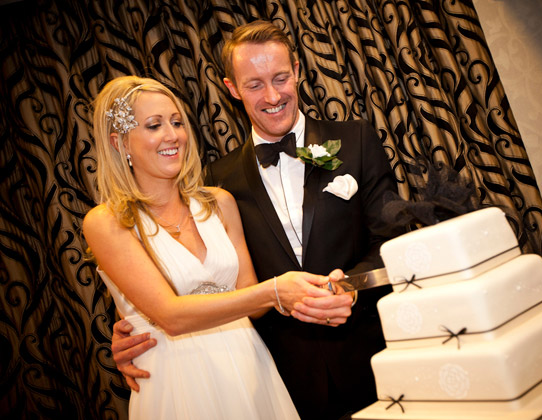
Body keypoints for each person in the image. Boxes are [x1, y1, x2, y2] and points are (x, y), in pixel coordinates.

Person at [111, 20, 400, 419]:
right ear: (231, 89)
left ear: (297, 70)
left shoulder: (357, 141)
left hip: (372, 356)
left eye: (280, 77)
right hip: (277, 379)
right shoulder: (215, 185)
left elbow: (394, 241)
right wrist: (134, 327)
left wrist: (351, 287)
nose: (272, 95)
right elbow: (180, 273)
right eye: (254, 85)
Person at [83, 75, 341, 419]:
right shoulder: (108, 222)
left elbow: (251, 300)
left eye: (176, 122)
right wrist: (277, 290)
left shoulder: (219, 204)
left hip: (251, 367)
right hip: (177, 380)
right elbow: (170, 316)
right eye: (154, 125)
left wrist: (308, 292)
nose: (172, 135)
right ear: (120, 144)